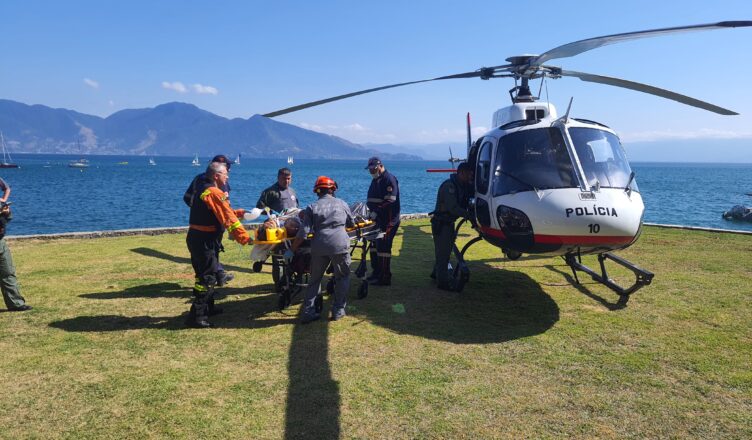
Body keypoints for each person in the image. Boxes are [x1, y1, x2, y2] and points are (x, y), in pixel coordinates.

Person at [186, 162, 250, 328]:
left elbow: (220, 212)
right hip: (204, 241)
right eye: (225, 174)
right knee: (207, 278)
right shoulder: (214, 192)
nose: (227, 176)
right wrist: (244, 237)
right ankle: (197, 316)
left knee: (205, 275)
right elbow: (227, 217)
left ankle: (208, 307)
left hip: (199, 239)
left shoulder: (205, 190)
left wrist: (241, 213)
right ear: (216, 176)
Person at [287, 176, 354, 323]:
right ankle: (338, 310)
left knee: (315, 280)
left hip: (319, 247)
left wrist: (291, 249)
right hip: (339, 245)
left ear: (317, 191)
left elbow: (303, 233)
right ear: (333, 189)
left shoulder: (312, 207)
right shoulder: (342, 203)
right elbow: (351, 224)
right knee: (342, 277)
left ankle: (308, 312)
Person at [183, 154, 235, 286]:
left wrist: (199, 211)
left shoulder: (201, 179)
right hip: (209, 229)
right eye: (227, 167)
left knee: (206, 255)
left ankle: (215, 276)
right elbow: (225, 207)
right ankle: (212, 280)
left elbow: (187, 198)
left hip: (201, 227)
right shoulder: (215, 184)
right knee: (210, 254)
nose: (229, 170)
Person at [430, 162, 474, 291]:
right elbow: (453, 208)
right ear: (461, 173)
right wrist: (469, 215)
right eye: (469, 175)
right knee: (443, 255)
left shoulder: (460, 186)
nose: (470, 177)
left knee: (444, 251)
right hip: (442, 224)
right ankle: (443, 283)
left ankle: (436, 273)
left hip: (448, 223)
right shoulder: (449, 187)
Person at [365, 157, 400, 286]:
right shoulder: (376, 180)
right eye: (369, 170)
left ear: (380, 166)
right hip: (376, 220)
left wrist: (377, 211)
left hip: (388, 221)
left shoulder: (389, 179)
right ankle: (376, 273)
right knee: (374, 247)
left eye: (373, 169)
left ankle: (384, 277)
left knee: (384, 248)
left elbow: (390, 200)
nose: (371, 172)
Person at [0, 203, 31, 311]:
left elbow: (5, 220)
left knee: (8, 273)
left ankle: (15, 304)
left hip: (1, 244)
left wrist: (6, 213)